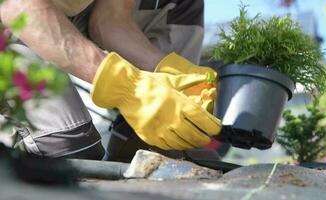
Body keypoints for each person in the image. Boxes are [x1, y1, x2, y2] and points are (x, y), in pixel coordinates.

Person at [0, 0, 222, 161]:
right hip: (14, 19)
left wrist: (172, 71)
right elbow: (16, 6)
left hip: (39, 16)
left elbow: (110, 19)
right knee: (71, 150)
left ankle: (146, 138)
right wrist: (127, 86)